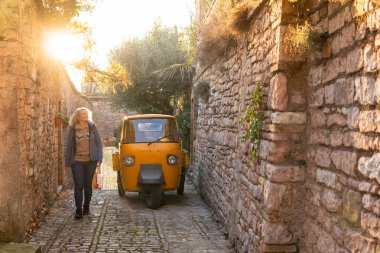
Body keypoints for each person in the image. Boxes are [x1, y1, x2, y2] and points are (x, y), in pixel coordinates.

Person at [65, 107, 103, 219]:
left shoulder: (93, 128)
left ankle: (86, 207)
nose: (86, 116)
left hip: (91, 161)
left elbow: (99, 144)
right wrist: (67, 163)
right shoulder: (72, 129)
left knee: (87, 185)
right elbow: (69, 147)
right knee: (78, 185)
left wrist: (99, 158)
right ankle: (78, 210)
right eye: (83, 114)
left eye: (87, 114)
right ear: (78, 116)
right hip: (77, 161)